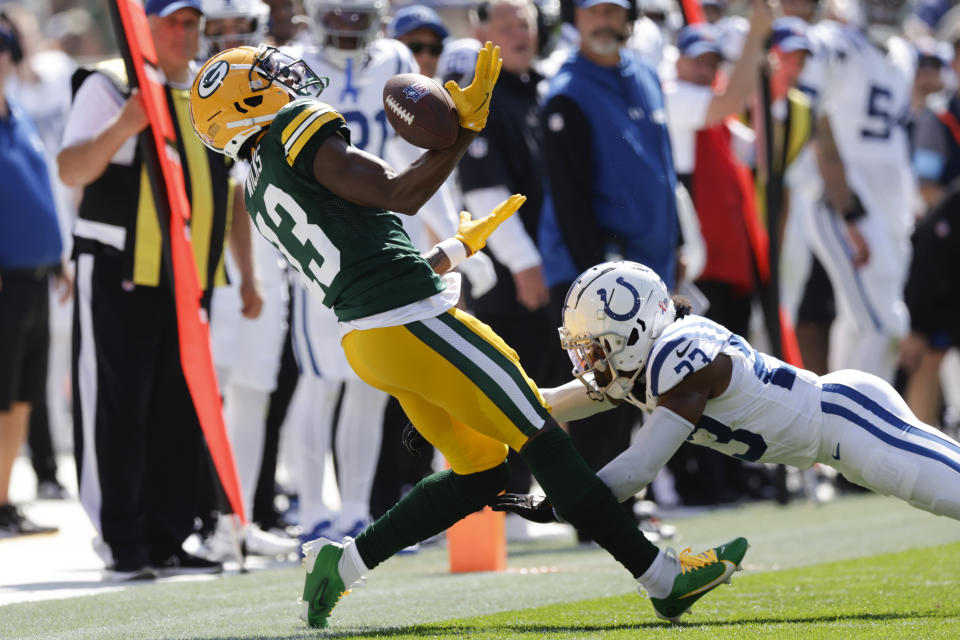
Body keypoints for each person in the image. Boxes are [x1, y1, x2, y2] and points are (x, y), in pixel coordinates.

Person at [189, 42, 748, 627]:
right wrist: (465, 131)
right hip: (412, 322)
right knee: (543, 435)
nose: (283, 78)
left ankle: (343, 561)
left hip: (371, 338)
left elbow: (361, 256)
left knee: (480, 470)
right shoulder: (294, 129)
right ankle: (663, 578)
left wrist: (452, 250)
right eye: (265, 76)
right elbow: (398, 192)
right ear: (244, 102)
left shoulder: (257, 186)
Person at [492, 260, 960, 529]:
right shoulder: (650, 362)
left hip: (848, 423)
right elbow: (570, 396)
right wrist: (505, 400)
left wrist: (564, 504)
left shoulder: (683, 360)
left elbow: (639, 467)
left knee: (946, 493)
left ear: (633, 329)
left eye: (595, 347)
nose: (590, 361)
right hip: (837, 433)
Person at [57, 0, 253, 579]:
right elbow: (70, 168)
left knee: (181, 407)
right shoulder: (110, 86)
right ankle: (122, 540)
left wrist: (245, 273)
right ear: (145, 26)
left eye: (192, 23)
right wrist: (127, 123)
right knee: (117, 407)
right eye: (171, 21)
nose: (183, 33)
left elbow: (233, 189)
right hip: (121, 268)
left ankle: (169, 536)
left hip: (190, 276)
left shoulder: (207, 91)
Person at [536, 0, 682, 514]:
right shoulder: (565, 90)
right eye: (592, 10)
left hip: (647, 264)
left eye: (613, 10)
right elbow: (570, 196)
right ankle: (595, 507)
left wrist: (677, 242)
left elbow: (664, 169)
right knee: (603, 387)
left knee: (639, 385)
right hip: (598, 272)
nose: (603, 20)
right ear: (574, 18)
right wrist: (597, 277)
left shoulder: (644, 73)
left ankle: (622, 498)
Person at [198, 0, 301, 561]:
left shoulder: (278, 88)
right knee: (213, 394)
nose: (232, 40)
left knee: (255, 398)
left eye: (242, 29)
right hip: (229, 273)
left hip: (270, 266)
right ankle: (210, 518)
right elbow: (235, 193)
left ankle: (240, 519)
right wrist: (246, 278)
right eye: (221, 31)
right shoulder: (199, 97)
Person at [456, 0, 553, 539]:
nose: (519, 35)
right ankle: (507, 510)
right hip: (505, 272)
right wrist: (525, 263)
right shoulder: (484, 93)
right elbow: (487, 190)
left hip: (542, 266)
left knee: (539, 383)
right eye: (507, 26)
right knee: (510, 389)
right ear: (480, 31)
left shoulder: (536, 87)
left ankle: (530, 497)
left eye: (526, 25)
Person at [799, 0, 916, 383]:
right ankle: (860, 425)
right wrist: (846, 206)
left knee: (856, 322)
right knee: (887, 325)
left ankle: (830, 422)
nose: (886, 8)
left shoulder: (904, 55)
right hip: (847, 202)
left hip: (889, 207)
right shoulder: (835, 44)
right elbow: (815, 120)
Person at [0, 12, 63, 537]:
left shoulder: (18, 114)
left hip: (37, 274)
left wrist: (57, 255)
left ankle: (5, 503)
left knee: (22, 395)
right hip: (5, 280)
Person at [389, 4, 449, 79]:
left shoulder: (450, 88)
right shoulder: (372, 87)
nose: (426, 58)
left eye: (435, 49)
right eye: (415, 47)